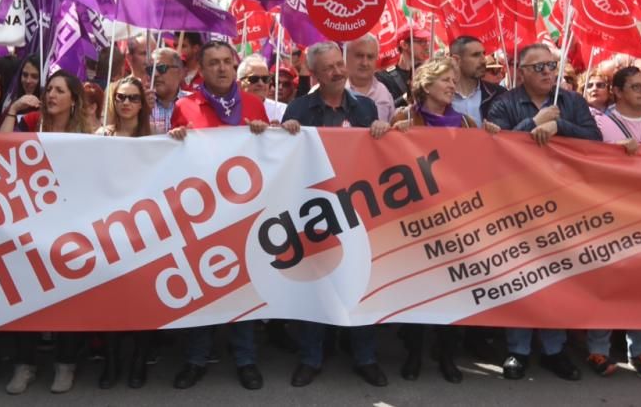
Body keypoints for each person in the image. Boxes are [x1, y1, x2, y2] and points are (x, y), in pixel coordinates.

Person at [168, 41, 295, 391]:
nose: (222, 69)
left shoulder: (254, 104)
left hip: (247, 213)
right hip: (202, 215)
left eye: (227, 62)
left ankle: (246, 359)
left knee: (245, 287)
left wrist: (275, 133)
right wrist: (174, 137)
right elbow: (171, 161)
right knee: (203, 286)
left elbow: (273, 153)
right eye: (214, 63)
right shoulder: (185, 105)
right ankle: (196, 359)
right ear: (202, 70)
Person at [486, 43, 601, 381]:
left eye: (552, 65)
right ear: (521, 72)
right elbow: (495, 148)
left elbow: (594, 140)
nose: (548, 72)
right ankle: (517, 349)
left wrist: (560, 127)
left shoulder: (572, 101)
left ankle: (555, 349)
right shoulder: (503, 103)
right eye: (539, 67)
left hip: (562, 199)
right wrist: (534, 122)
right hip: (517, 200)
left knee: (556, 274)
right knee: (520, 274)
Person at [282, 41, 391, 390]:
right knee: (316, 285)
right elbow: (284, 159)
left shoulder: (365, 106)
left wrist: (381, 131)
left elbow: (380, 155)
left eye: (338, 65)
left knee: (360, 285)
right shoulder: (298, 108)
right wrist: (286, 136)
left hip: (358, 211)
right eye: (328, 67)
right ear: (314, 74)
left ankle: (365, 357)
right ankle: (311, 358)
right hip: (313, 212)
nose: (338, 71)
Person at [391, 57, 499, 383]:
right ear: (426, 85)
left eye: (454, 80)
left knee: (452, 291)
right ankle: (413, 354)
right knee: (417, 289)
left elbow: (477, 166)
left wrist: (490, 136)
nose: (453, 86)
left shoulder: (466, 124)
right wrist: (387, 134)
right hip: (415, 221)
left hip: (455, 220)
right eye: (446, 81)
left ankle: (447, 356)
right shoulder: (405, 118)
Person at [0, 69, 90, 394]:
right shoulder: (30, 124)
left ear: (73, 99)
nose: (51, 95)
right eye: (48, 89)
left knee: (69, 299)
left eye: (59, 90)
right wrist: (12, 111)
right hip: (30, 228)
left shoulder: (87, 136)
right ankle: (24, 365)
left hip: (71, 230)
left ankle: (66, 365)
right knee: (26, 297)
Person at [585, 65, 641, 381]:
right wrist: (612, 152)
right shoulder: (600, 123)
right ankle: (598, 347)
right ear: (618, 91)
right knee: (606, 283)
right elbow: (584, 159)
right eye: (635, 86)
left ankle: (640, 350)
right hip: (608, 215)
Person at [93, 76, 155, 388]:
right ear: (112, 102)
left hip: (145, 231)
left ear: (142, 104)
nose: (126, 103)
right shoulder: (100, 137)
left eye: (132, 98)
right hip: (110, 232)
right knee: (111, 302)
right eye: (120, 97)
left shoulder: (156, 139)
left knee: (144, 300)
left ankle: (138, 361)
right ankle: (112, 362)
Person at [449, 36, 504, 127]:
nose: (483, 60)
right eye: (475, 55)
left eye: (483, 54)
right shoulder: (439, 96)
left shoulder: (498, 94)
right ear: (456, 60)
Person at [376, 24, 430, 107]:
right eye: (421, 42)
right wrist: (408, 96)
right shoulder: (384, 77)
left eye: (426, 41)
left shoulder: (431, 72)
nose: (426, 46)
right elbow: (385, 110)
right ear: (404, 45)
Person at [346, 34, 395, 122]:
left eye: (370, 57)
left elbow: (393, 130)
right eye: (359, 55)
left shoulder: (384, 93)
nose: (365, 63)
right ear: (346, 57)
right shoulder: (331, 91)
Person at [238, 54, 286, 122]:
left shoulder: (283, 111)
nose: (261, 83)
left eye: (265, 79)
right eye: (254, 79)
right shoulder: (228, 110)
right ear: (240, 83)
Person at [149, 47, 186, 134]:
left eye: (161, 68)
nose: (155, 74)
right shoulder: (140, 103)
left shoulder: (195, 103)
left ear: (180, 72)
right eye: (151, 70)